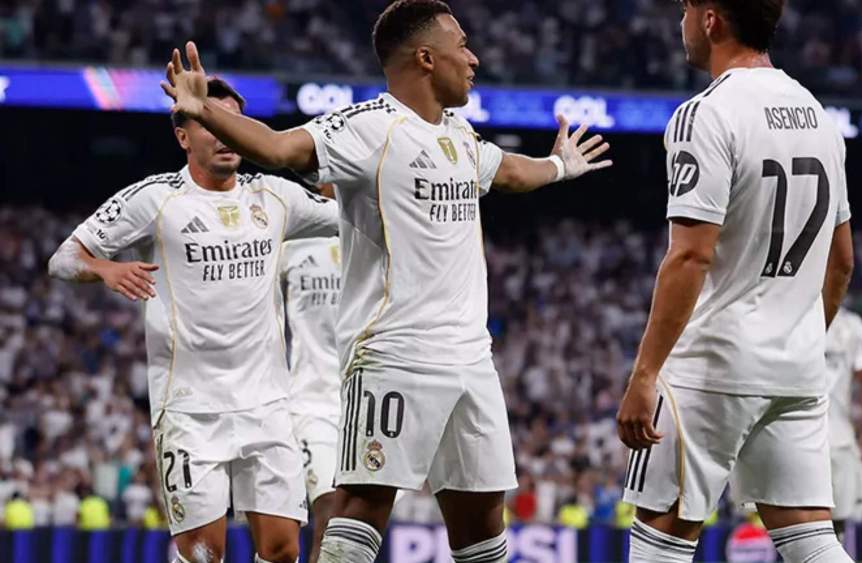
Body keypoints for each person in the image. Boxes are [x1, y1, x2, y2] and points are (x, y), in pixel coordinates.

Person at [159, 1, 612, 561]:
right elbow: (278, 147)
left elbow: (511, 171)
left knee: (481, 518)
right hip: (396, 352)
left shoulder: (457, 134)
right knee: (360, 504)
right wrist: (204, 110)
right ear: (426, 57)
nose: (473, 59)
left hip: (471, 356)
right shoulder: (367, 128)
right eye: (462, 46)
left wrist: (561, 165)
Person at [48, 77, 340, 563]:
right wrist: (103, 267)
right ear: (184, 135)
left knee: (284, 550)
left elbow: (348, 215)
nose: (226, 135)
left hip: (268, 405)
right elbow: (63, 258)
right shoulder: (154, 200)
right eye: (210, 122)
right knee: (204, 554)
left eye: (236, 124)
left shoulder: (275, 197)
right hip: (190, 412)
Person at [615, 0, 855, 561]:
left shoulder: (706, 114)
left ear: (710, 19)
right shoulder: (819, 114)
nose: (682, 23)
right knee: (812, 542)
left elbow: (690, 257)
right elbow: (841, 260)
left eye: (685, 9)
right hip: (795, 370)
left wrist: (645, 374)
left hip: (713, 366)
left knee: (662, 535)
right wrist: (795, 337)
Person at [279, 186, 343, 563]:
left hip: (366, 401)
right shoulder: (292, 242)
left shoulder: (379, 236)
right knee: (329, 515)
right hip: (310, 402)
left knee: (357, 527)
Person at [825, 306, 862, 535]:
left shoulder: (851, 324)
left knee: (838, 520)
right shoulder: (787, 311)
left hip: (838, 437)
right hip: (792, 433)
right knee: (788, 516)